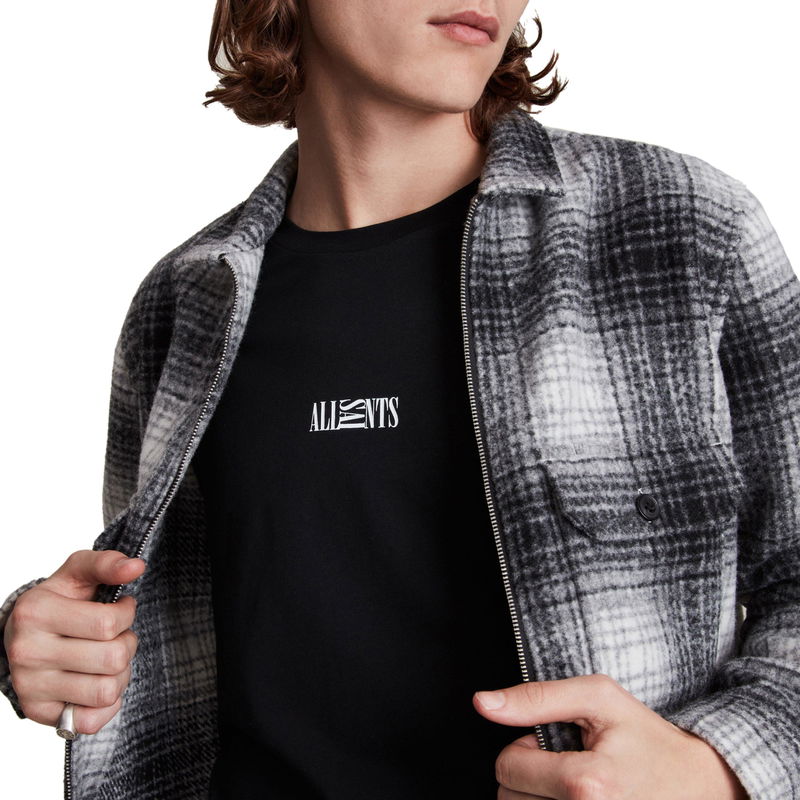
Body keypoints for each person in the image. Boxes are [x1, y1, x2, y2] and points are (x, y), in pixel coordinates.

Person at [1, 1, 798, 798]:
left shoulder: (679, 232)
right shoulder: (184, 302)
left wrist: (718, 770)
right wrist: (39, 645)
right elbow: (144, 634)